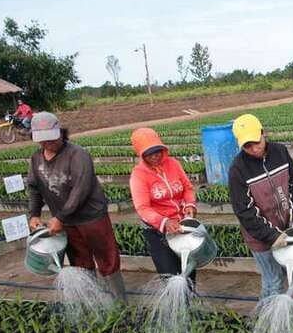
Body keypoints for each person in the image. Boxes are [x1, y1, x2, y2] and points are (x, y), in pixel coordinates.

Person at [26, 112, 127, 303]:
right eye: (43, 140)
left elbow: (80, 190)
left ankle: (120, 304)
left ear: (60, 133)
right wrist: (34, 214)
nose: (48, 143)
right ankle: (93, 303)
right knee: (80, 263)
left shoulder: (77, 155)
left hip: (91, 217)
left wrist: (60, 218)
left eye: (52, 138)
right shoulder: (36, 159)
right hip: (67, 222)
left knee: (107, 260)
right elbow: (33, 188)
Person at [228, 114, 293, 299]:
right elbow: (244, 212)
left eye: (257, 142)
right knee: (274, 281)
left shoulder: (280, 152)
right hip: (260, 237)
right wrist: (272, 236)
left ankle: (267, 313)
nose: (254, 149)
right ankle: (270, 315)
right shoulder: (238, 169)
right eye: (247, 146)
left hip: (285, 228)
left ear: (263, 133)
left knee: (278, 278)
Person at [129, 127, 199, 283]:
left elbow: (187, 188)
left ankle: (189, 297)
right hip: (157, 231)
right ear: (142, 155)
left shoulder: (173, 164)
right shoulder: (139, 175)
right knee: (170, 275)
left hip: (182, 225)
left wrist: (189, 205)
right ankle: (175, 299)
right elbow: (143, 208)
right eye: (150, 153)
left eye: (158, 151)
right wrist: (164, 222)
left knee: (189, 270)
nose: (156, 156)